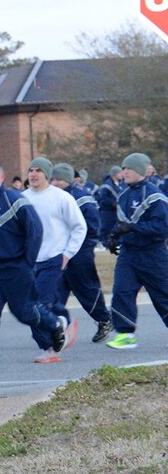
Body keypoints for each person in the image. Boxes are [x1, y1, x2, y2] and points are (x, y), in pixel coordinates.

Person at [0, 159, 70, 374]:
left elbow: (35, 231)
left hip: (16, 269)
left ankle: (54, 324)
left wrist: (26, 262)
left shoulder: (16, 201)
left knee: (25, 312)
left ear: (1, 178)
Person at [20, 157, 88, 364]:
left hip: (53, 259)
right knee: (30, 304)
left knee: (37, 305)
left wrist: (67, 254)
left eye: (38, 170)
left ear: (47, 174)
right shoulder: (20, 198)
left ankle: (49, 347)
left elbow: (79, 227)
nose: (33, 174)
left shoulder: (61, 198)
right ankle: (62, 321)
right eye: (31, 170)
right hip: (28, 262)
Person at [105, 153, 168, 349]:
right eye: (123, 168)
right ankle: (125, 334)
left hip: (153, 254)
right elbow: (122, 222)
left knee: (163, 294)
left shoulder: (156, 196)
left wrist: (133, 229)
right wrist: (114, 236)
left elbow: (162, 227)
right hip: (128, 254)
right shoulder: (123, 194)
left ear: (140, 170)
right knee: (121, 291)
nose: (124, 172)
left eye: (128, 168)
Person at [50, 163, 113, 342]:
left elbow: (93, 226)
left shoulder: (82, 197)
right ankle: (56, 327)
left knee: (86, 288)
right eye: (53, 179)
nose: (55, 183)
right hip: (57, 252)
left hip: (79, 252)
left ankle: (103, 319)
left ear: (69, 180)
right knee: (53, 290)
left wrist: (78, 247)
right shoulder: (51, 197)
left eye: (59, 180)